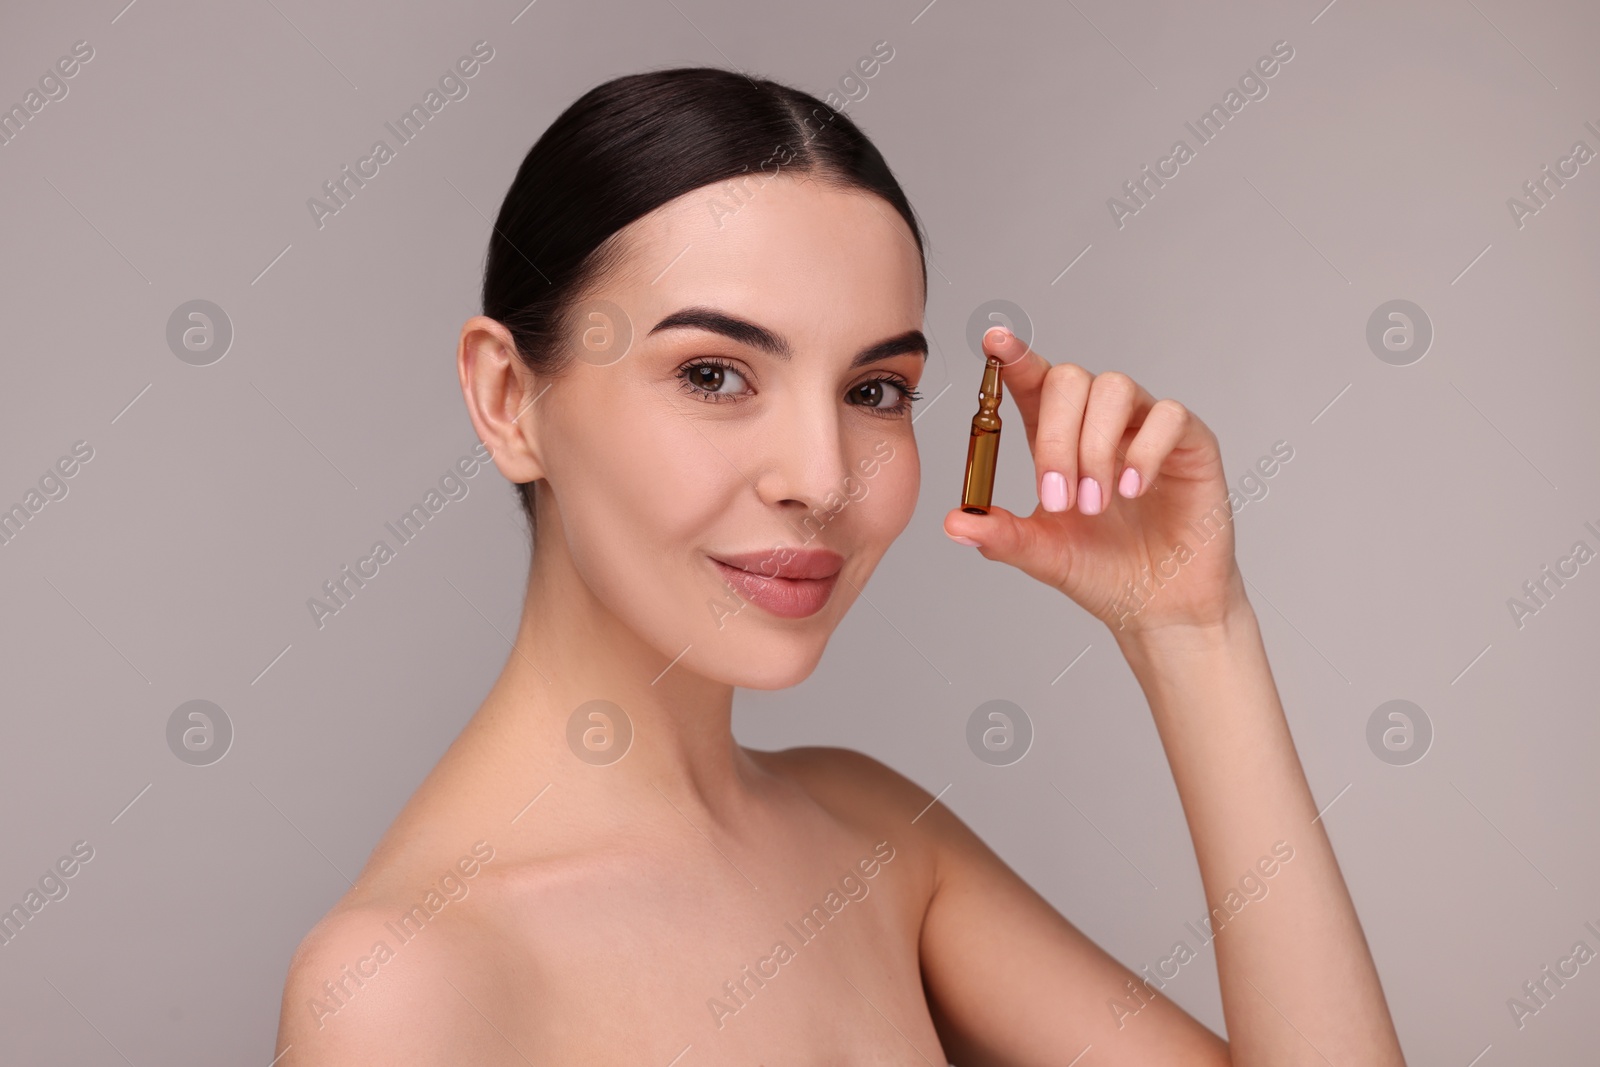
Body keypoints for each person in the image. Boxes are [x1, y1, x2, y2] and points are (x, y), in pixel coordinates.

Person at [274, 66, 1406, 1064]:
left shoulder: (872, 834)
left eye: (874, 392)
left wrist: (1191, 633)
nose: (821, 477)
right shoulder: (402, 989)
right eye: (714, 374)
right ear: (507, 398)